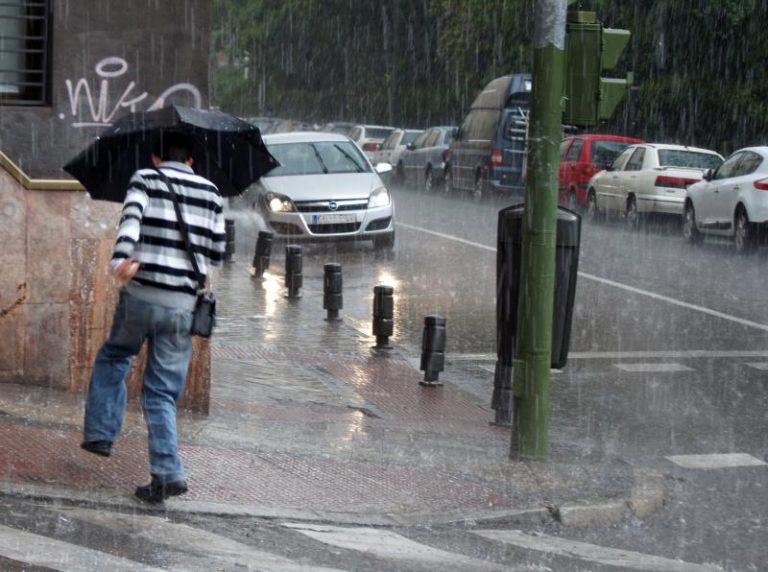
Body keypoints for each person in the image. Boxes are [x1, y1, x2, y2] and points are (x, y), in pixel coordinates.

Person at [81, 131, 226, 504]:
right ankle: (167, 472)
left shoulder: (145, 178)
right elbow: (218, 250)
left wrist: (121, 260)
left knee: (115, 356)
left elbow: (131, 219)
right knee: (161, 392)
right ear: (191, 160)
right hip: (181, 306)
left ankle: (100, 433)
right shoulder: (211, 192)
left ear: (156, 158)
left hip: (141, 295)